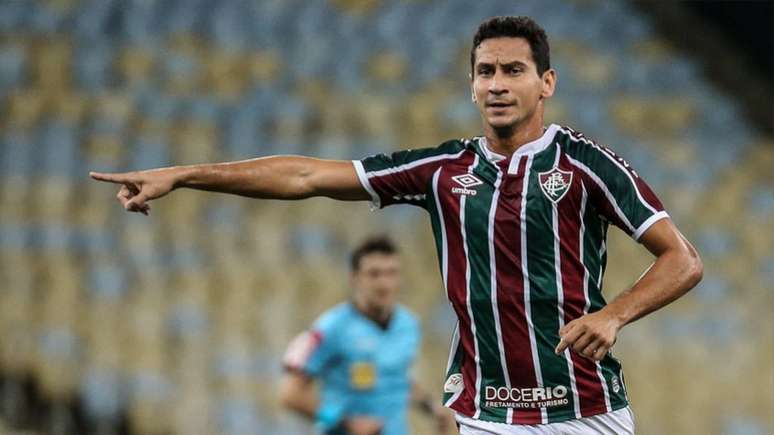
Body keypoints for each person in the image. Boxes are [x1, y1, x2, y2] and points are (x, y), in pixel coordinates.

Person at [91, 15, 703, 435]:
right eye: (485, 71)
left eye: (513, 71)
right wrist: (186, 172)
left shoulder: (586, 164)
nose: (496, 84)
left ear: (546, 83)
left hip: (584, 409)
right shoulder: (442, 170)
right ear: (470, 85)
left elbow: (683, 259)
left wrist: (613, 314)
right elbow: (305, 176)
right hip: (485, 412)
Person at [279, 236, 453, 435]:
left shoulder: (408, 324)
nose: (384, 284)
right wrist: (346, 423)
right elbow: (290, 394)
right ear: (354, 278)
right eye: (374, 274)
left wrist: (431, 407)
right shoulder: (330, 327)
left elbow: (397, 376)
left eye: (391, 273)